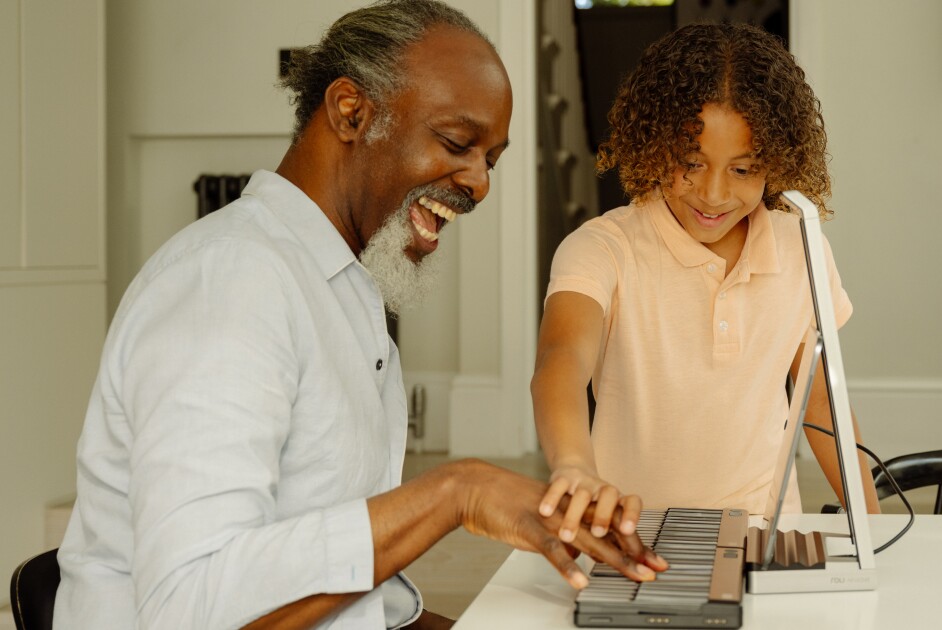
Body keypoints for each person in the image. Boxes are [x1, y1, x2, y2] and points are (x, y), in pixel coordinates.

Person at [54, 2, 664, 628]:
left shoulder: (345, 287)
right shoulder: (231, 283)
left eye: (492, 159)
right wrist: (457, 492)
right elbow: (190, 607)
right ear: (352, 113)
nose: (480, 183)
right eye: (458, 142)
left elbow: (356, 600)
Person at [532, 22, 882, 543]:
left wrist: (874, 528)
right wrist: (573, 465)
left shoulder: (800, 247)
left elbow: (820, 402)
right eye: (691, 163)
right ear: (654, 145)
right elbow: (562, 360)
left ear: (777, 162)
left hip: (762, 540)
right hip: (630, 537)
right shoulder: (603, 247)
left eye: (743, 170)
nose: (714, 194)